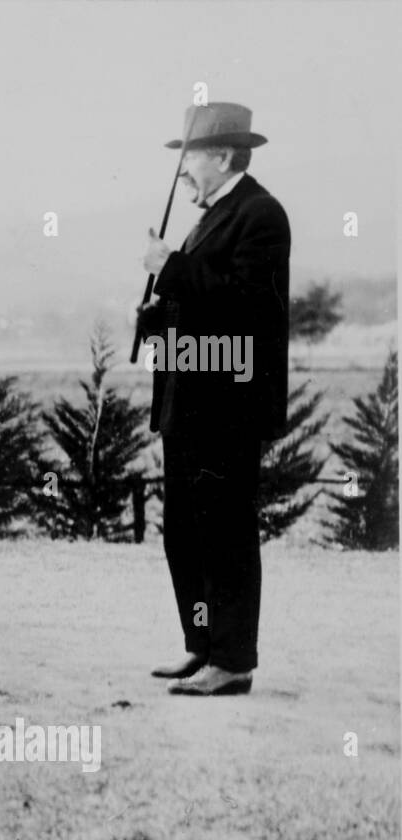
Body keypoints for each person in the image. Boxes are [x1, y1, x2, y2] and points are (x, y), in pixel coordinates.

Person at [139, 103, 289, 696]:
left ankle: (233, 661)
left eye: (189, 158)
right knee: (185, 529)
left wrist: (171, 268)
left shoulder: (261, 215)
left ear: (223, 156)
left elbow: (250, 311)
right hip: (189, 402)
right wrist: (159, 316)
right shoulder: (213, 215)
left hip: (227, 408)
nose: (181, 172)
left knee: (223, 529)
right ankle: (201, 646)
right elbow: (202, 307)